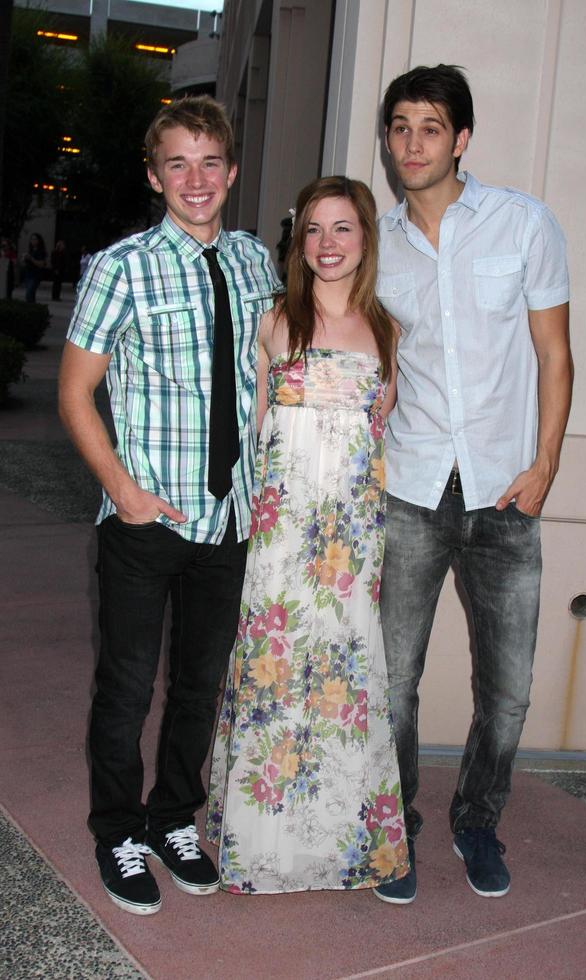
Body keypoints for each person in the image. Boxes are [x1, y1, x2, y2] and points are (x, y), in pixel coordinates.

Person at [58, 95, 280, 916]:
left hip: (232, 516)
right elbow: (75, 392)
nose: (197, 179)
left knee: (201, 684)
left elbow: (271, 373)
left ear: (231, 171)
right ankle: (118, 828)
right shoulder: (120, 267)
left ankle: (171, 818)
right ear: (155, 175)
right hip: (148, 518)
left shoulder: (258, 262)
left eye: (211, 161)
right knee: (125, 685)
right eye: (178, 163)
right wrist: (122, 491)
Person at [372, 65, 573, 905]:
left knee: (511, 691)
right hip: (411, 489)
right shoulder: (378, 247)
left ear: (461, 140)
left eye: (430, 126)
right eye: (400, 126)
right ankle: (399, 830)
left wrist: (546, 465)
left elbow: (555, 354)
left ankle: (477, 820)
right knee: (391, 681)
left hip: (504, 494)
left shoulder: (524, 224)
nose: (412, 142)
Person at [205, 176, 409, 895]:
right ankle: (261, 844)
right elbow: (252, 435)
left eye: (343, 228)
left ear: (365, 238)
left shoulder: (388, 330)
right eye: (315, 229)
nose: (327, 244)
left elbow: (377, 439)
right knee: (273, 677)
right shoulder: (272, 323)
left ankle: (338, 844)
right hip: (282, 539)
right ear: (299, 240)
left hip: (350, 544)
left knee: (344, 681)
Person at [22, 232, 47, 302]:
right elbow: (26, 264)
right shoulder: (30, 251)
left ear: (39, 241)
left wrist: (31, 258)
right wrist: (24, 259)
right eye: (32, 239)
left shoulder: (41, 251)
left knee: (29, 293)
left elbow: (41, 264)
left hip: (35, 275)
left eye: (35, 239)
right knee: (31, 294)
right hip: (28, 274)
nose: (33, 241)